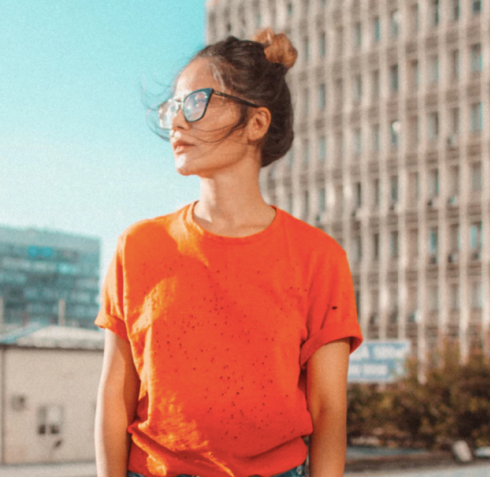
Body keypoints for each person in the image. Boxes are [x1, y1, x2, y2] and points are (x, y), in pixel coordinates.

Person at [94, 28, 363, 477]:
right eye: (174, 108)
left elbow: (329, 408)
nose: (178, 122)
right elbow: (113, 398)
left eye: (197, 102)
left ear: (256, 123)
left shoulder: (319, 258)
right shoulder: (138, 247)